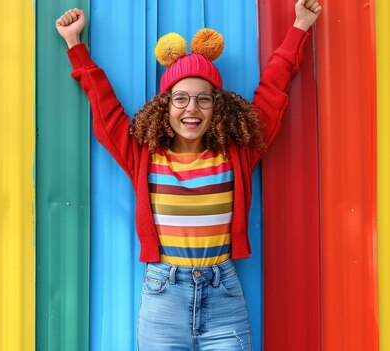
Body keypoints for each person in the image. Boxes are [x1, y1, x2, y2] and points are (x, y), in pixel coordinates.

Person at [56, 1, 321, 349]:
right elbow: (105, 109)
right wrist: (76, 45)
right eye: (180, 98)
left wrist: (300, 26)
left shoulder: (238, 153)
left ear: (218, 106)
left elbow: (272, 91)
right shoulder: (144, 156)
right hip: (163, 295)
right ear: (165, 107)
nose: (191, 108)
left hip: (224, 294)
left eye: (203, 99)